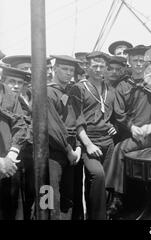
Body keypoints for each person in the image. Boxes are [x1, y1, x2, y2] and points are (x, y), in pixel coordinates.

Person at [106, 45, 151, 218]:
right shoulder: (123, 86)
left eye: (142, 60)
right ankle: (122, 199)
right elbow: (119, 113)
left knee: (121, 149)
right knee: (119, 147)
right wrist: (131, 127)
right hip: (131, 131)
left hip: (150, 133)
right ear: (129, 62)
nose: (139, 64)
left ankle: (117, 197)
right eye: (135, 60)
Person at [69, 51, 117, 220]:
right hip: (89, 140)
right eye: (94, 66)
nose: (98, 69)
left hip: (107, 141)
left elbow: (115, 114)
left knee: (106, 183)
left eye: (101, 66)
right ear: (87, 67)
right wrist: (88, 144)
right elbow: (77, 119)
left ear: (106, 68)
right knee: (97, 175)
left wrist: (114, 126)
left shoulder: (110, 89)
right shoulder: (79, 88)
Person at [47, 55, 83, 220]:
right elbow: (52, 126)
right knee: (48, 196)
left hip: (71, 150)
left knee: (67, 198)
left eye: (72, 70)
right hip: (53, 151)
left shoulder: (71, 92)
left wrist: (78, 148)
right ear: (55, 69)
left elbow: (78, 121)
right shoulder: (48, 92)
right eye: (65, 69)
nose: (69, 73)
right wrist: (69, 150)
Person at [0, 66, 29, 219]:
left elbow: (20, 125)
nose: (16, 85)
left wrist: (10, 156)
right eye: (12, 81)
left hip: (11, 164)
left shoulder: (8, 94)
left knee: (11, 208)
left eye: (20, 82)